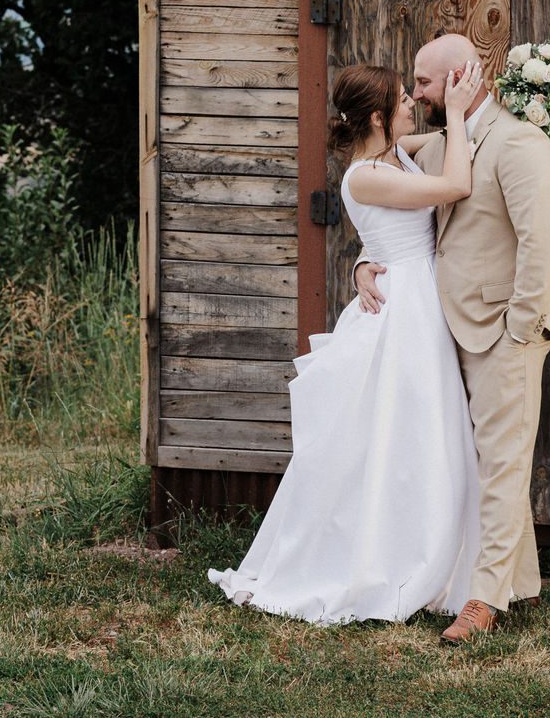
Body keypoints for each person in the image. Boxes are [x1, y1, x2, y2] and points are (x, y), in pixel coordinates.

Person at [206, 58, 484, 624]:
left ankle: (446, 553)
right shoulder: (365, 174)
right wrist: (454, 111)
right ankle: (391, 559)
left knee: (424, 430)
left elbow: (460, 148)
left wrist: (363, 258)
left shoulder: (395, 154)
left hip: (415, 294)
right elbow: (457, 183)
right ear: (379, 118)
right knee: (402, 433)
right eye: (405, 100)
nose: (415, 105)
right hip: (403, 307)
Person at [352, 32, 550, 645]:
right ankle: (516, 580)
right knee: (484, 462)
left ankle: (482, 601)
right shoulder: (441, 144)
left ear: (458, 78)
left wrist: (521, 327)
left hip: (506, 328)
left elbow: (543, 245)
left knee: (503, 462)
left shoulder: (520, 144)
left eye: (423, 83)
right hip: (447, 329)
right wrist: (363, 260)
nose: (416, 94)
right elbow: (379, 179)